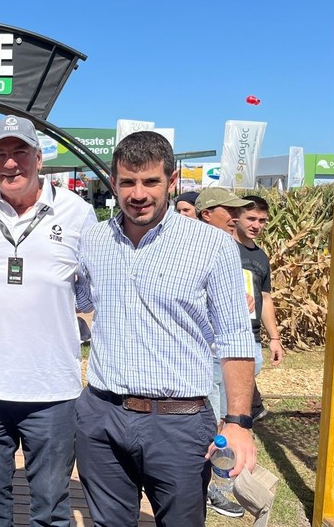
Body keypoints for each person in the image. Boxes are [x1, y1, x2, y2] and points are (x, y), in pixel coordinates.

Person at [74, 131, 257, 527]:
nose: (138, 194)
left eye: (151, 181)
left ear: (172, 182)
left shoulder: (212, 246)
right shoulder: (92, 240)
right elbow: (82, 301)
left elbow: (236, 340)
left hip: (178, 424)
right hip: (102, 416)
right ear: (113, 183)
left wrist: (239, 423)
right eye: (127, 182)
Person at [0, 115, 97, 527]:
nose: (11, 163)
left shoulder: (77, 212)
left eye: (20, 152)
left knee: (52, 507)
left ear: (39, 157)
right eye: (0, 154)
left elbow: (89, 291)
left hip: (52, 390)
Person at [194, 187, 253, 519]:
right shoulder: (185, 250)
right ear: (206, 214)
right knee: (212, 431)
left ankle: (212, 488)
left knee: (223, 427)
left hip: (227, 356)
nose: (236, 216)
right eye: (227, 209)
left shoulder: (232, 248)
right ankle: (211, 489)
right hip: (202, 360)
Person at [234, 195, 284, 421]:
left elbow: (265, 297)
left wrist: (274, 338)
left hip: (252, 337)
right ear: (237, 217)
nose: (256, 225)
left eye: (262, 220)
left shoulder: (261, 256)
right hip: (226, 334)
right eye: (251, 218)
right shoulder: (223, 246)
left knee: (240, 400)